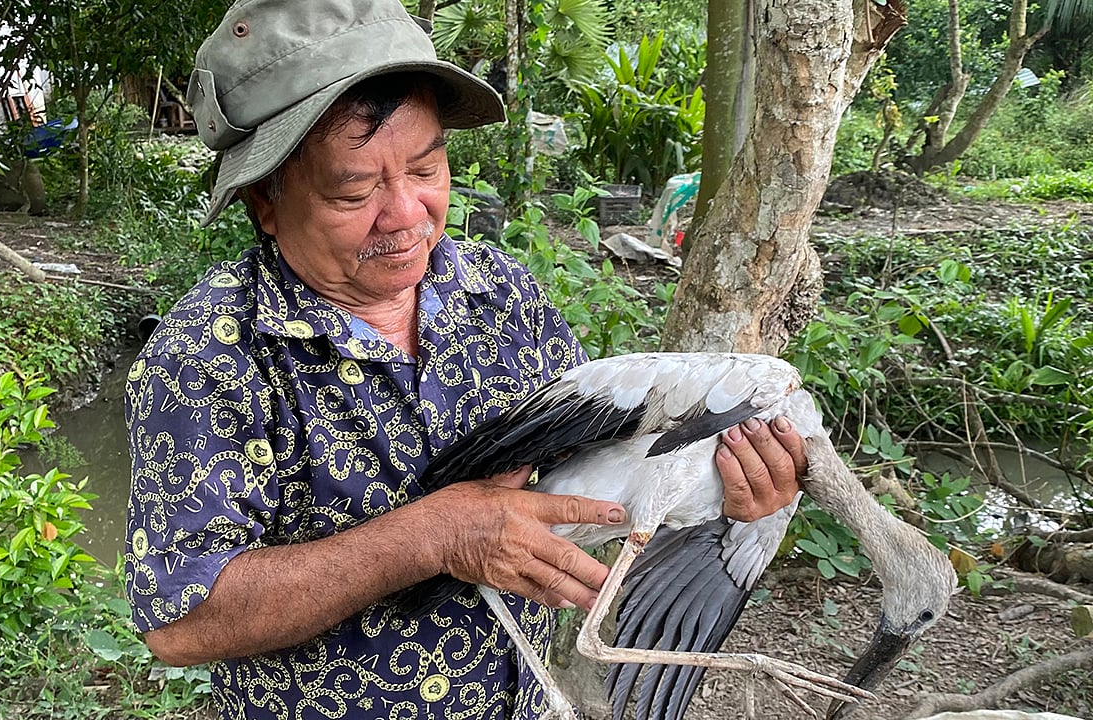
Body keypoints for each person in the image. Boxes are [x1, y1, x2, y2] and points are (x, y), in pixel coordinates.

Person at [123, 1, 805, 718]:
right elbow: (179, 621)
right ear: (266, 200)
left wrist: (718, 495)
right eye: (354, 190)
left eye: (426, 166)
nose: (408, 214)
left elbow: (597, 468)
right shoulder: (208, 355)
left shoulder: (500, 291)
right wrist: (429, 537)